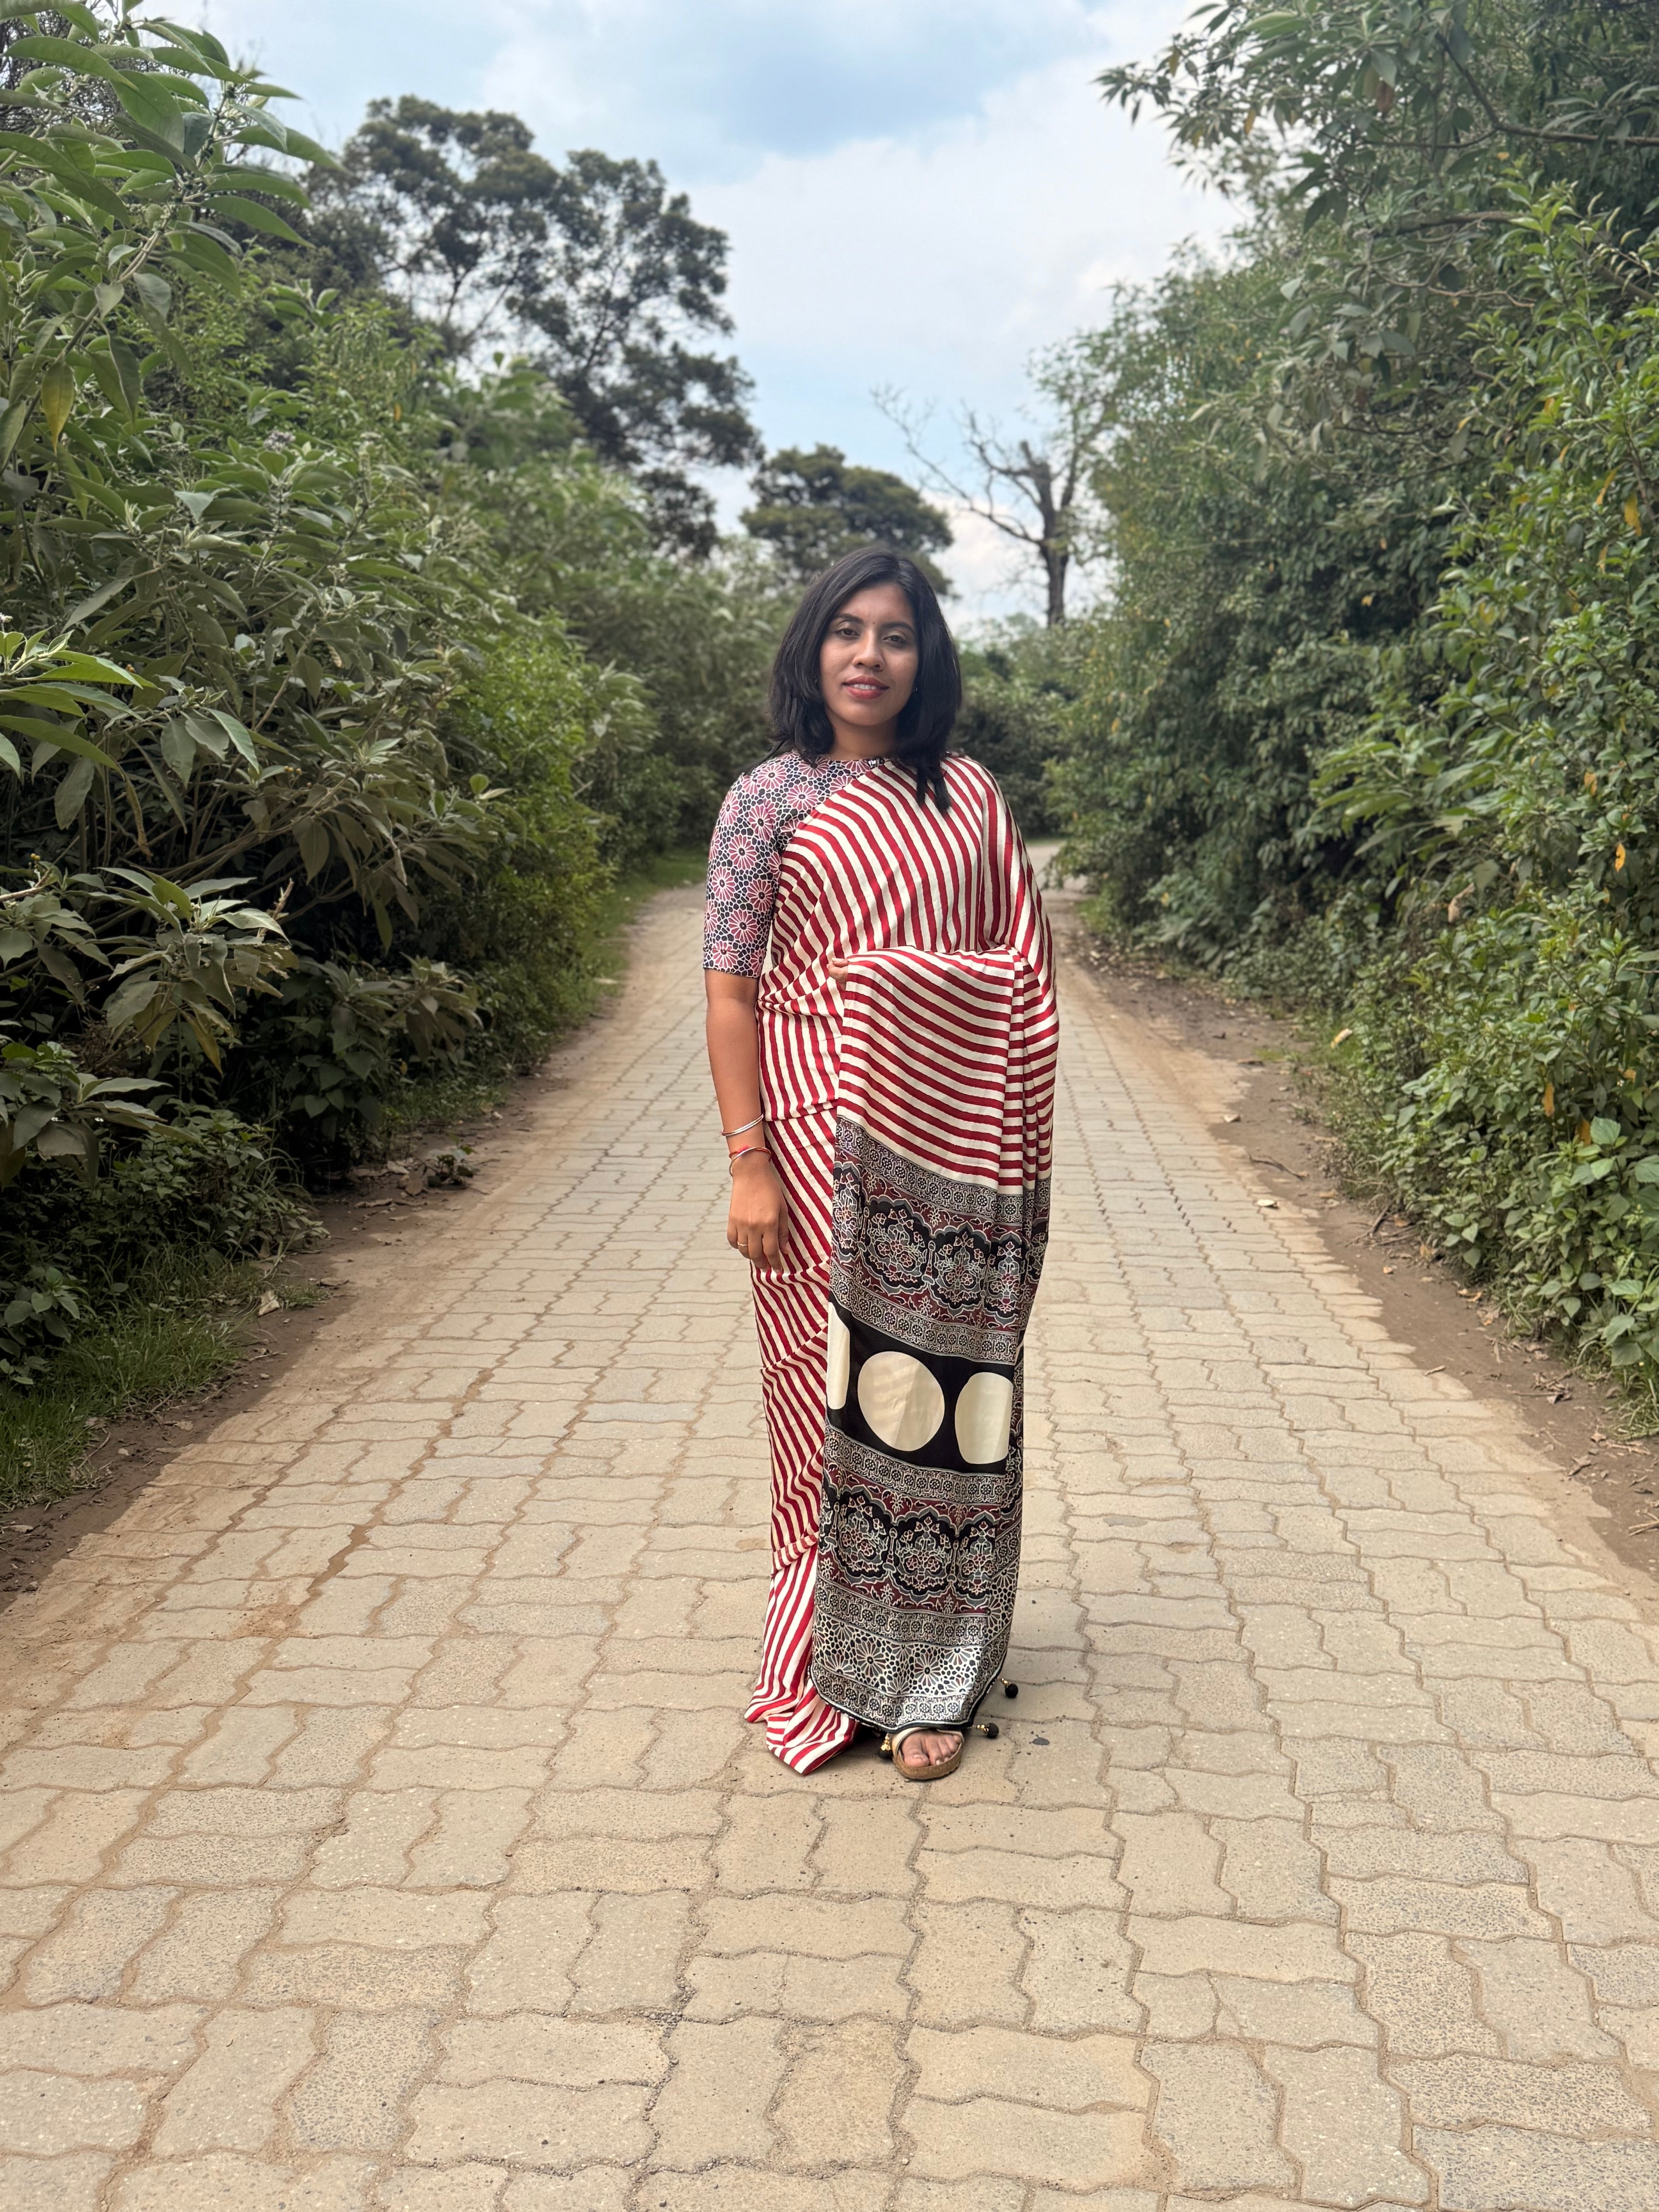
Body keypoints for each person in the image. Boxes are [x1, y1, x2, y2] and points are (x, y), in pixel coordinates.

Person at [703, 546, 1058, 1779]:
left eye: (895, 635)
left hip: (953, 1156)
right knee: (819, 1404)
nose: (868, 655)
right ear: (812, 648)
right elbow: (731, 991)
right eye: (846, 630)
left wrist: (915, 1001)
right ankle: (826, 1666)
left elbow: (1027, 971)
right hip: (811, 1147)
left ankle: (926, 1679)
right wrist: (749, 1162)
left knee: (943, 1405)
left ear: (926, 658)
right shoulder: (767, 800)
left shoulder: (968, 797)